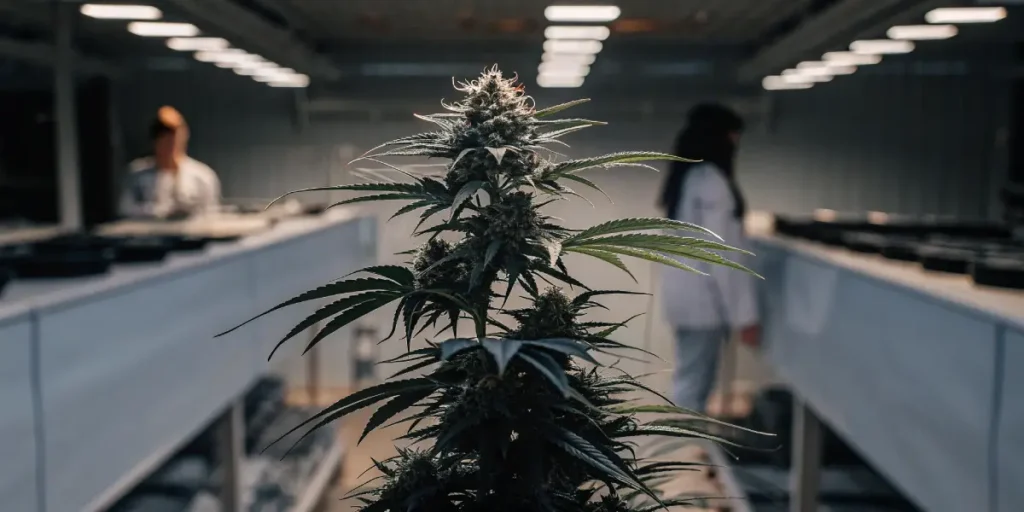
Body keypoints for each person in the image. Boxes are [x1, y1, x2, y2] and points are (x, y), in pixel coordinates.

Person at [657, 103, 760, 413]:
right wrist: (745, 316)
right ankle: (682, 439)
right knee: (694, 386)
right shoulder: (712, 182)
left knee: (689, 378)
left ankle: (682, 434)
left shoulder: (687, 178)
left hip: (685, 294)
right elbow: (723, 257)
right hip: (703, 299)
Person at [119, 106, 222, 219]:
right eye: (163, 136)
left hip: (191, 229)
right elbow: (125, 210)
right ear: (154, 140)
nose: (170, 141)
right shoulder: (137, 175)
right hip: (150, 229)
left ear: (184, 136)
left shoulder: (202, 176)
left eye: (174, 135)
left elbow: (211, 213)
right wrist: (160, 211)